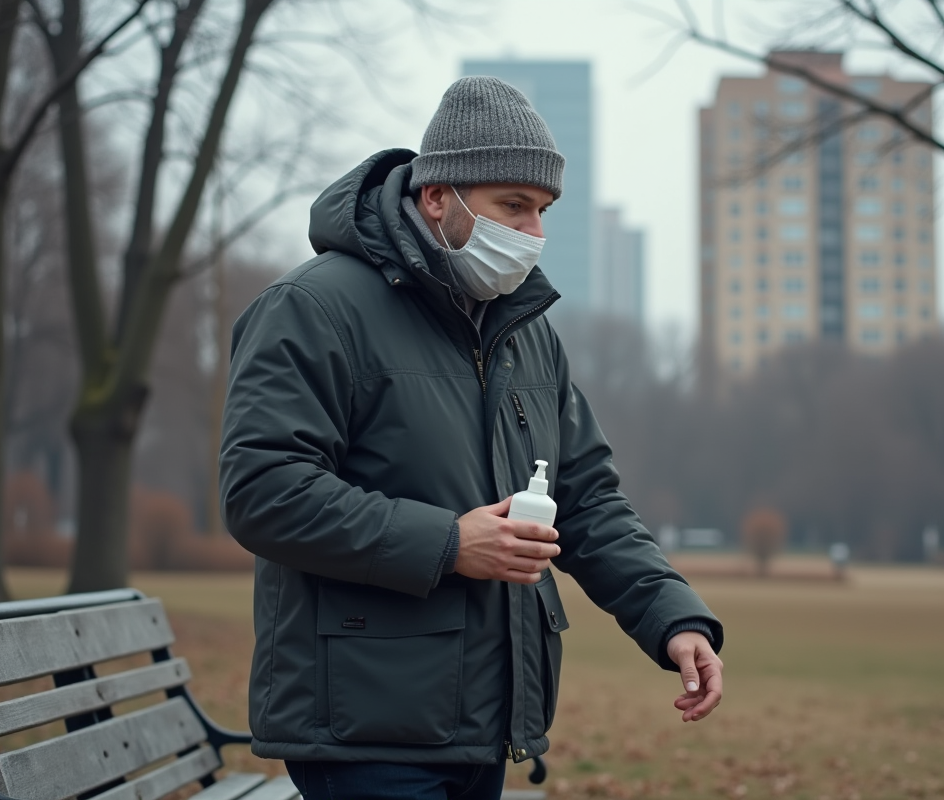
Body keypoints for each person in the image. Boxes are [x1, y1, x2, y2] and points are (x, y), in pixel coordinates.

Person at [219, 76, 724, 800]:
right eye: (512, 205)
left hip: (483, 724)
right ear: (437, 197)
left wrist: (671, 617)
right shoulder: (312, 308)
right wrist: (450, 543)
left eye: (543, 209)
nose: (534, 232)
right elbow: (264, 492)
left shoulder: (526, 333)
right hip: (362, 727)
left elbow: (585, 499)